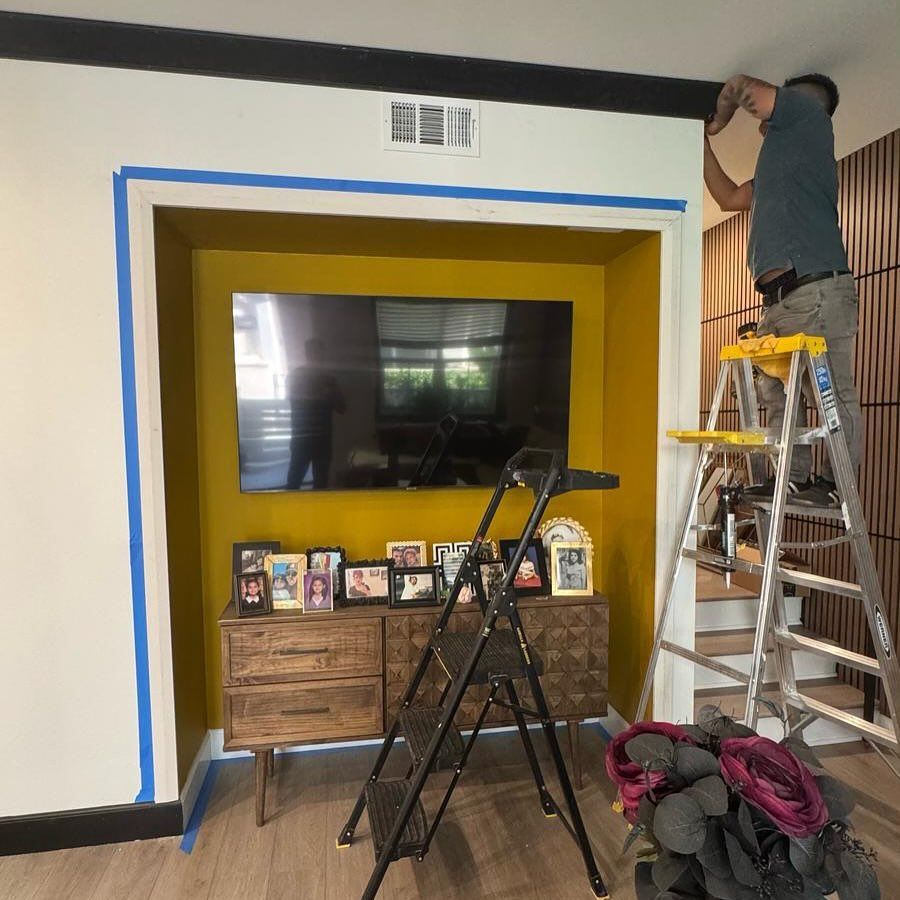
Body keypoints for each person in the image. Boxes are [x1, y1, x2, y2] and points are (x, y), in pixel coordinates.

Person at [704, 73, 860, 508]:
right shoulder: (781, 169)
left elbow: (741, 88)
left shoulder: (810, 120)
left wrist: (715, 121)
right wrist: (700, 144)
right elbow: (730, 198)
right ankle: (790, 478)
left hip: (815, 290)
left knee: (829, 393)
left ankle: (835, 485)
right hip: (780, 301)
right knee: (777, 392)